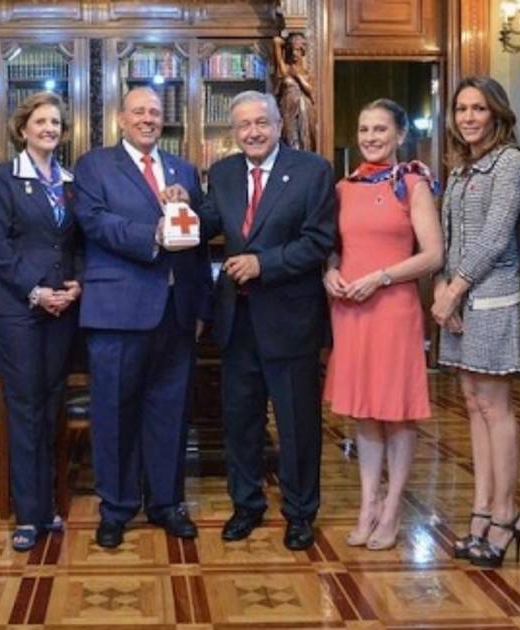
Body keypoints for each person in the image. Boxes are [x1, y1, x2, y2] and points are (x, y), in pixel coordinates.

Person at [72, 87, 211, 549]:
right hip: (117, 312)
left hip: (176, 312)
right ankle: (116, 508)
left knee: (170, 412)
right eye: (139, 112)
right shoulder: (94, 166)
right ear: (121, 118)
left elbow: (197, 242)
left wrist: (201, 306)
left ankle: (167, 503)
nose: (148, 119)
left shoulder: (183, 170)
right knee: (114, 414)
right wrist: (153, 232)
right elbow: (94, 222)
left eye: (154, 112)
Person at [199, 91, 337, 551]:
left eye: (261, 122)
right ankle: (246, 505)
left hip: (290, 318)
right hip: (236, 320)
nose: (253, 132)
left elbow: (318, 241)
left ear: (278, 125)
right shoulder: (223, 173)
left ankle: (300, 513)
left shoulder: (312, 171)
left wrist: (264, 263)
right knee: (241, 421)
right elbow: (207, 222)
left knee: (297, 423)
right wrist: (180, 205)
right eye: (243, 125)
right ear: (233, 132)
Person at [321, 99, 442, 551]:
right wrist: (329, 270)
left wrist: (381, 277)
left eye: (380, 129)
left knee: (396, 409)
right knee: (365, 410)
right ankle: (367, 504)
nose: (371, 137)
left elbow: (433, 254)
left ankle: (392, 509)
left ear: (400, 134)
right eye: (364, 129)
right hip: (350, 309)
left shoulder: (412, 183)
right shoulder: (343, 187)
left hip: (393, 309)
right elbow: (334, 246)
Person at [432, 77, 520, 566]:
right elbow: (449, 238)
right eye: (461, 109)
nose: (468, 117)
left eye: (478, 108)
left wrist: (453, 290)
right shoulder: (460, 167)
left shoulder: (511, 162)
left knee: (495, 405)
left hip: (494, 298)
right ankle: (482, 509)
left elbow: (495, 237)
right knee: (473, 404)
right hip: (459, 301)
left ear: (497, 114)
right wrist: (442, 287)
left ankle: (507, 514)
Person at [0, 92, 81, 552]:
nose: (49, 129)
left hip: (62, 310)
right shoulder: (3, 178)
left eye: (55, 122)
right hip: (18, 310)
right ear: (23, 129)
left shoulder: (70, 181)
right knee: (24, 407)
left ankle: (47, 507)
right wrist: (35, 291)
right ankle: (28, 514)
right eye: (41, 121)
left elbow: (80, 243)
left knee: (51, 404)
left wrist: (77, 286)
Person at [271, 33, 317, 152]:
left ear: (302, 51)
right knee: (290, 138)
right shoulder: (285, 69)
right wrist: (285, 42)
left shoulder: (306, 73)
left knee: (305, 140)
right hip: (288, 109)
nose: (294, 53)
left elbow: (311, 92)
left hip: (304, 108)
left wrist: (297, 76)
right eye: (291, 50)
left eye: (297, 50)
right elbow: (276, 41)